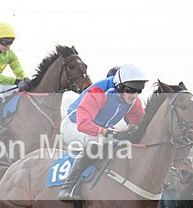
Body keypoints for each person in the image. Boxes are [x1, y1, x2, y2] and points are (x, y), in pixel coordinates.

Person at [58, 63, 148, 200]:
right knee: (95, 142)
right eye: (130, 90)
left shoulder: (134, 101)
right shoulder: (99, 91)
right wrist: (109, 133)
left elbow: (140, 125)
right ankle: (67, 188)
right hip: (73, 126)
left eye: (139, 90)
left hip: (99, 132)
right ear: (119, 86)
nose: (134, 95)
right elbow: (83, 124)